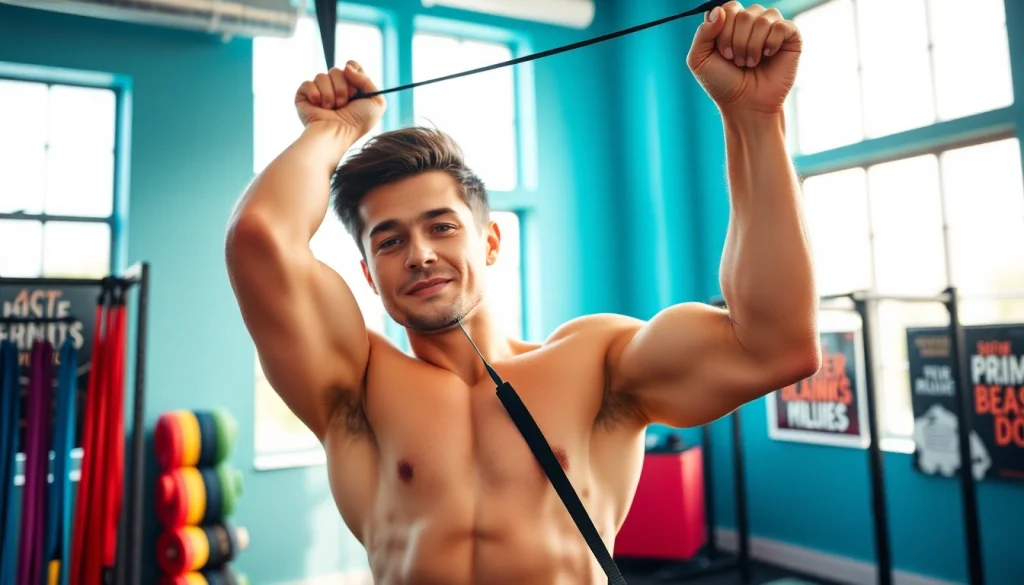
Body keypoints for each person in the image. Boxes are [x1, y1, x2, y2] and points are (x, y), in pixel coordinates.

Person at [225, 2, 820, 583]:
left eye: (442, 226)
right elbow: (261, 239)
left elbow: (773, 345)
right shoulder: (355, 390)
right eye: (389, 241)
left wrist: (753, 117)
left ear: (489, 242)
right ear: (367, 275)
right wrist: (333, 132)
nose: (420, 254)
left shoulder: (596, 362)